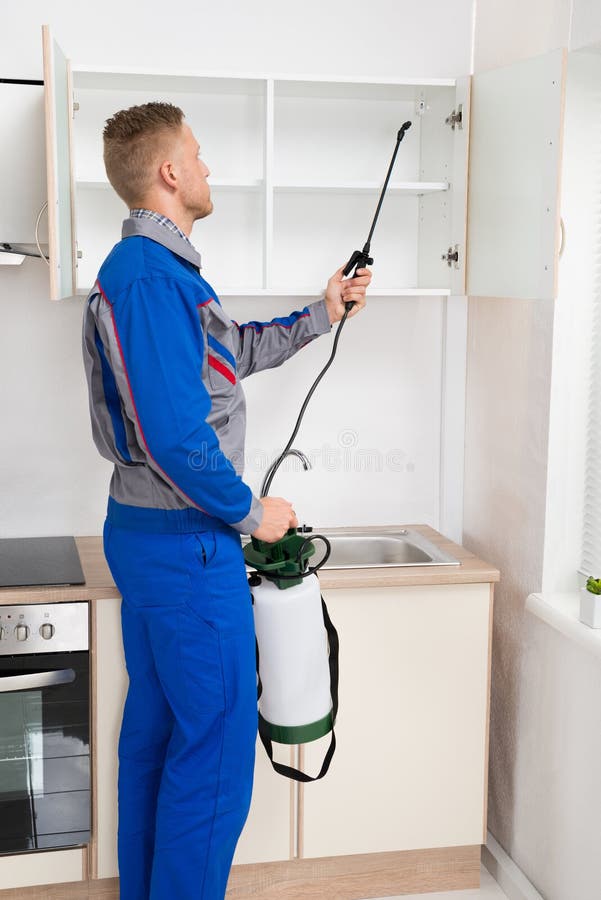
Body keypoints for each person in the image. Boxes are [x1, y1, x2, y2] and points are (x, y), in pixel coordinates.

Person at [82, 101, 370, 900]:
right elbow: (176, 437)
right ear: (169, 173)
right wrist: (251, 510)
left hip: (154, 537)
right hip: (182, 543)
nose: (209, 170)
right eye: (199, 157)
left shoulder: (167, 277)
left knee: (162, 732)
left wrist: (322, 313)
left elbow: (232, 353)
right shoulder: (145, 278)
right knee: (212, 756)